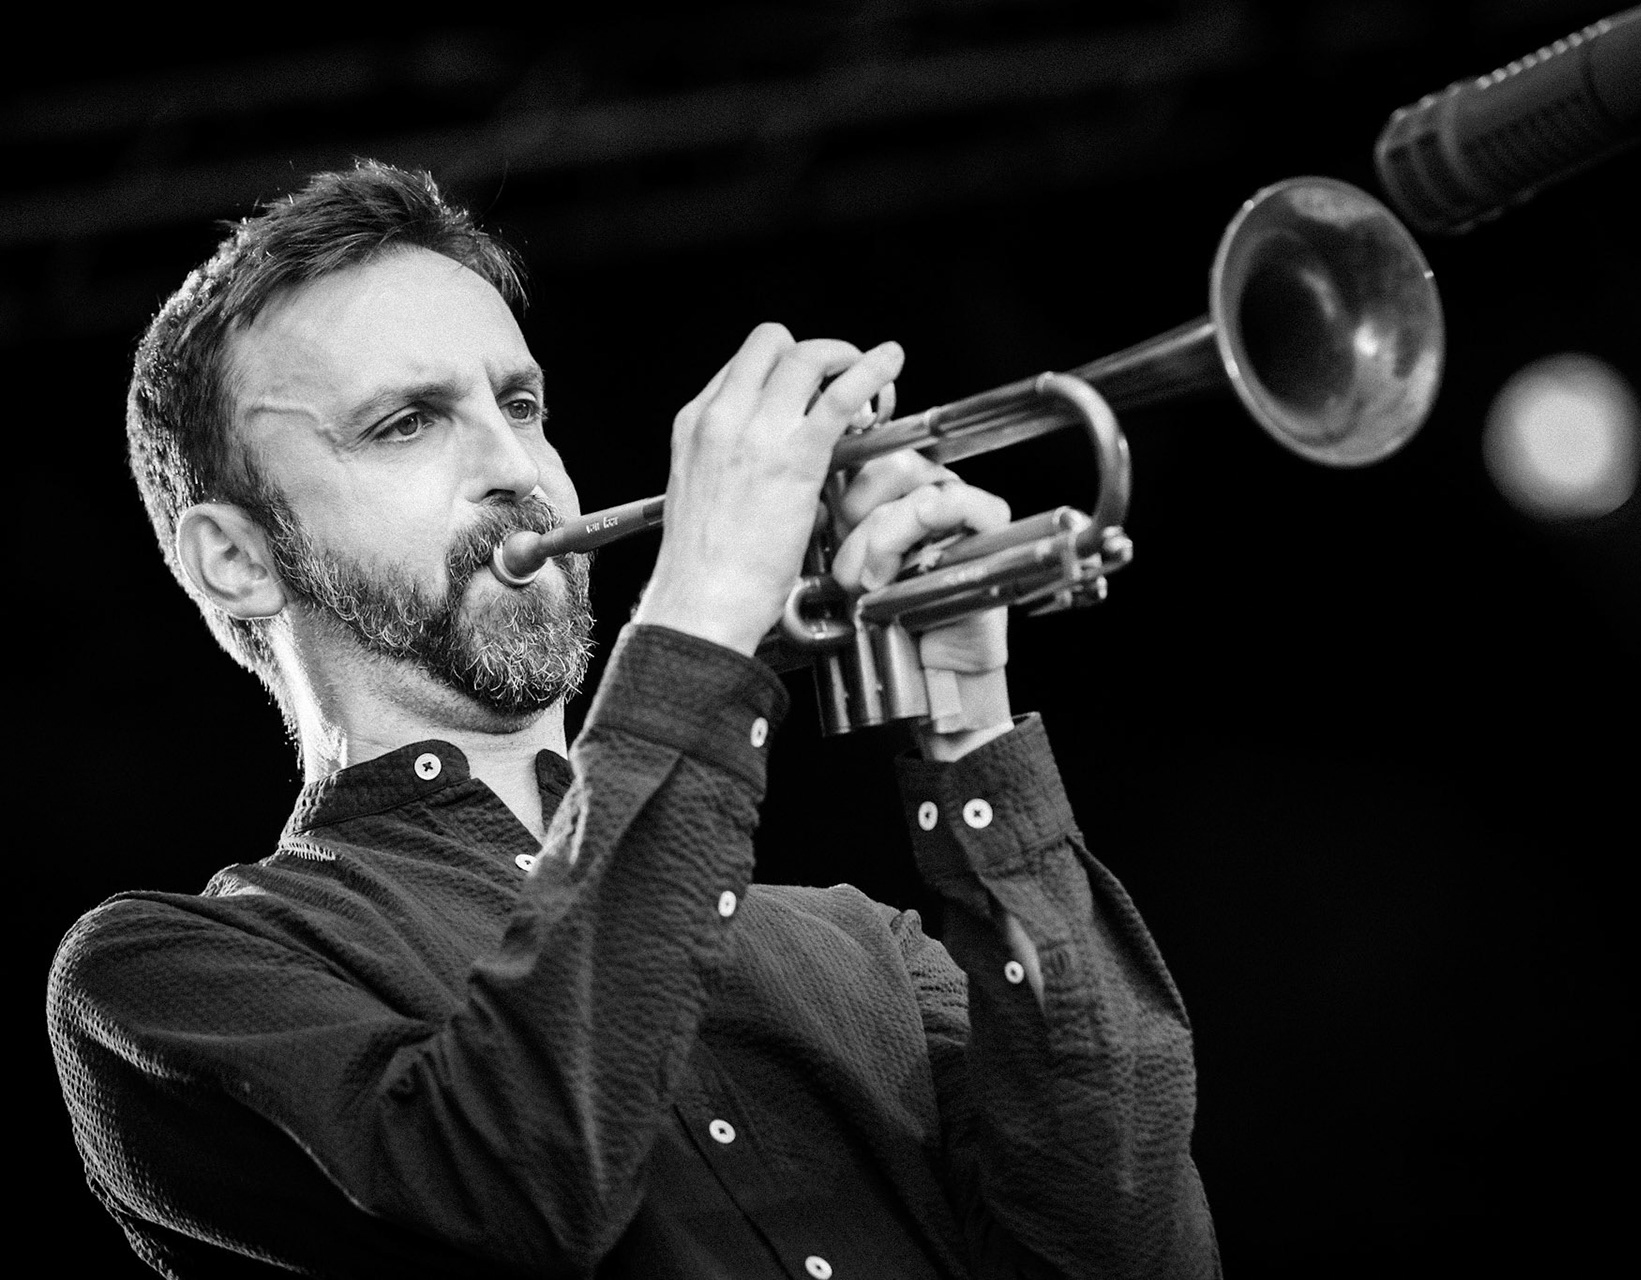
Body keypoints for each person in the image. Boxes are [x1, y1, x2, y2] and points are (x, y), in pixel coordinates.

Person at [47, 160, 1216, 1278]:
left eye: (520, 403)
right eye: (408, 421)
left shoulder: (869, 949)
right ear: (236, 559)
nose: (517, 469)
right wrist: (706, 609)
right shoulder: (164, 977)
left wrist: (968, 714)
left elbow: (1132, 1250)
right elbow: (521, 1182)